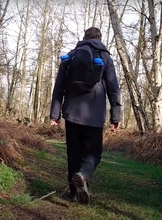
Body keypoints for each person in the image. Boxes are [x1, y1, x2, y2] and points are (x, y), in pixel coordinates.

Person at [50, 27, 121, 204]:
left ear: (84, 38)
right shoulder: (105, 57)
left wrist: (55, 114)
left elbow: (59, 86)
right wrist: (116, 116)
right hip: (95, 116)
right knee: (93, 153)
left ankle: (73, 193)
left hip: (72, 113)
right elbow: (113, 88)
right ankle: (83, 174)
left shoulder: (71, 57)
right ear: (100, 38)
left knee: (73, 154)